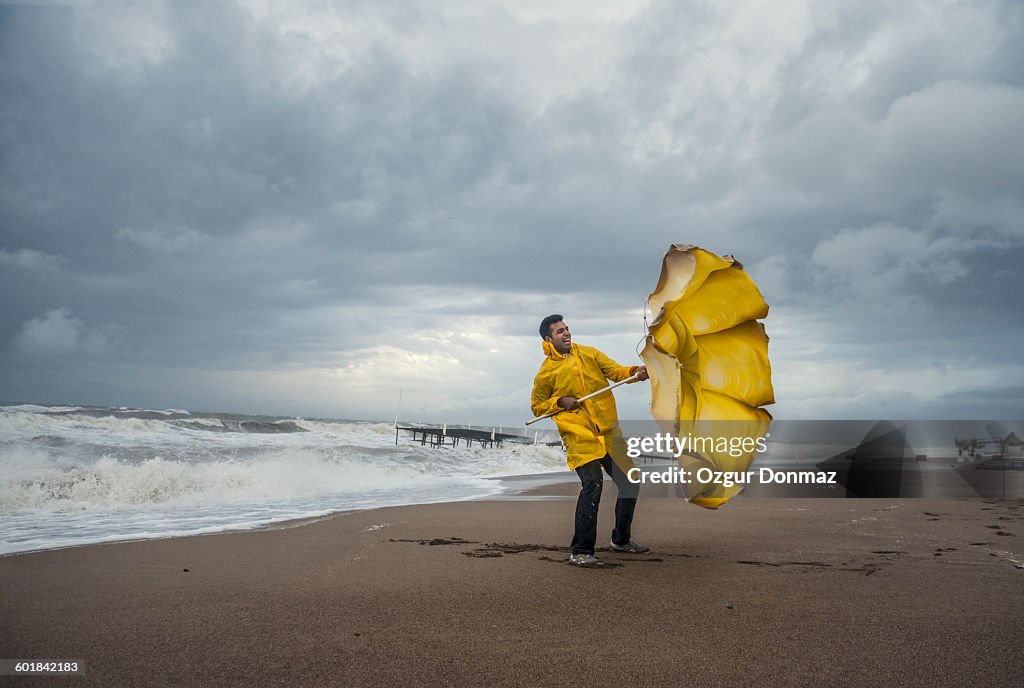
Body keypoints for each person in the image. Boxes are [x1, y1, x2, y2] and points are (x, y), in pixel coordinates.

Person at [530, 314, 650, 566]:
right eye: (560, 331)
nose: (566, 333)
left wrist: (634, 372)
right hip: (580, 436)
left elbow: (617, 372)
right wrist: (559, 402)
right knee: (593, 483)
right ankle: (581, 550)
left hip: (608, 431)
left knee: (631, 482)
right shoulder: (546, 373)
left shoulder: (590, 353)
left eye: (567, 328)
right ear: (548, 339)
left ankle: (621, 540)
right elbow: (538, 407)